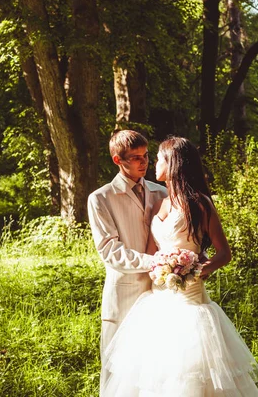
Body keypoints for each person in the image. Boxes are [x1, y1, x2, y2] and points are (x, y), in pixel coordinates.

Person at [101, 136, 258, 396]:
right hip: (158, 299)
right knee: (154, 371)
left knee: (190, 373)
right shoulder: (160, 202)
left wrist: (197, 270)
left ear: (173, 163)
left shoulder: (200, 203)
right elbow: (151, 251)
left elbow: (224, 253)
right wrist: (160, 267)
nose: (153, 163)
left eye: (158, 158)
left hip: (190, 299)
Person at [87, 130, 168, 392]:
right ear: (117, 160)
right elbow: (110, 250)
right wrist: (155, 262)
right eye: (135, 158)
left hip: (160, 293)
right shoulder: (101, 198)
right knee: (117, 373)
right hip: (124, 296)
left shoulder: (161, 192)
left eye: (146, 156)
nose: (144, 163)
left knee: (156, 368)